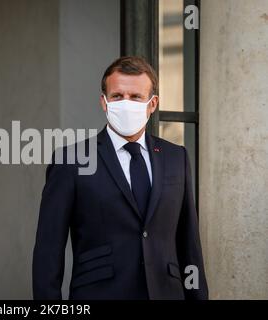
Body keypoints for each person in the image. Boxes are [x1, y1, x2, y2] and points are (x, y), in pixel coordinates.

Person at [32, 56, 208, 300]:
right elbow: (48, 252)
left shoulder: (176, 157)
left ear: (152, 103)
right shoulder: (71, 161)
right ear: (104, 102)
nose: (126, 103)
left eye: (136, 97)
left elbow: (189, 243)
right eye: (117, 96)